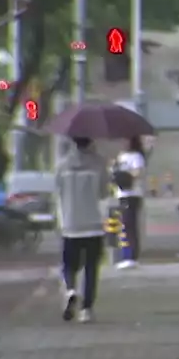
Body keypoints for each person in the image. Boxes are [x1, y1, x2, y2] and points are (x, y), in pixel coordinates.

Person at [56, 137, 109, 323]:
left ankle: (70, 290)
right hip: (93, 224)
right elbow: (103, 193)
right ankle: (87, 309)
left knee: (69, 265)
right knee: (91, 268)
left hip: (71, 224)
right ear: (91, 141)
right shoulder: (99, 164)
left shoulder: (62, 165)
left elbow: (58, 190)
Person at [113, 136, 146, 269]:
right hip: (121, 194)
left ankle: (131, 256)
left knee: (130, 224)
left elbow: (138, 173)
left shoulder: (136, 156)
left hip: (132, 194)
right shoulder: (121, 156)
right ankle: (125, 254)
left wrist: (126, 176)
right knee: (124, 225)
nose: (122, 142)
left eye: (125, 139)